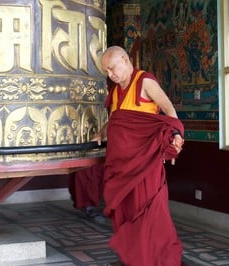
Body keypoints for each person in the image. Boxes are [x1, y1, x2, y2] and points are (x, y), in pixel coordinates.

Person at [93, 46, 185, 266]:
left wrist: (174, 137)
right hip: (120, 165)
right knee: (125, 210)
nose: (110, 75)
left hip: (145, 163)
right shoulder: (115, 91)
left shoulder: (145, 81)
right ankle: (134, 258)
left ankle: (154, 259)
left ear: (125, 60)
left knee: (149, 210)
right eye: (106, 71)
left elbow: (169, 112)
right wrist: (102, 130)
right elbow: (117, 118)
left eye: (112, 68)